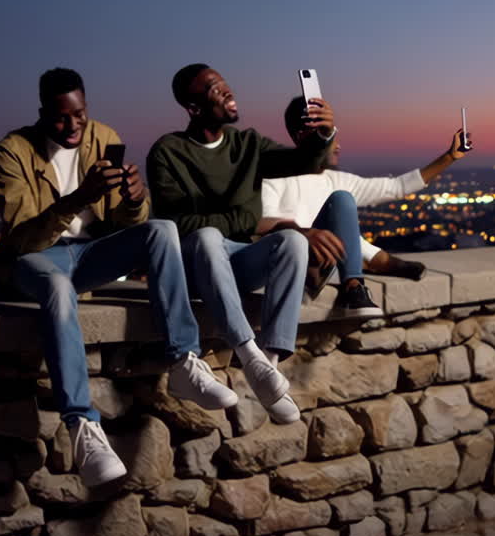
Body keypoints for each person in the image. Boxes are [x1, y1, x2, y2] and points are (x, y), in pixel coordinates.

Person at [0, 67, 237, 486]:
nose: (73, 126)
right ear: (43, 113)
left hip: (91, 254)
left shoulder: (103, 136)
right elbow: (21, 238)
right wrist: (78, 198)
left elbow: (125, 222)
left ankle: (184, 361)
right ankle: (82, 427)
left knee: (161, 230)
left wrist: (135, 201)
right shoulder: (13, 150)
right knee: (57, 287)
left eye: (79, 115)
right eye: (61, 118)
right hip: (38, 257)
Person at [146, 63, 375, 426]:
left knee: (292, 241)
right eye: (214, 89)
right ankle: (247, 353)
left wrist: (324, 133)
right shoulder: (168, 152)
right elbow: (176, 225)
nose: (227, 91)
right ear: (193, 108)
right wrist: (246, 219)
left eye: (225, 84)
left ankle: (268, 363)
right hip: (194, 268)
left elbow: (305, 161)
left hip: (237, 262)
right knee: (206, 236)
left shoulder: (247, 144)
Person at [260, 96, 474, 294]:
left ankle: (371, 262)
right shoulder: (273, 177)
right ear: (302, 136)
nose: (338, 146)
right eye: (327, 136)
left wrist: (449, 157)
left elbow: (396, 187)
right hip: (294, 259)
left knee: (342, 205)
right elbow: (265, 225)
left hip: (329, 260)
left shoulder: (336, 180)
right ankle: (375, 262)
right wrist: (305, 235)